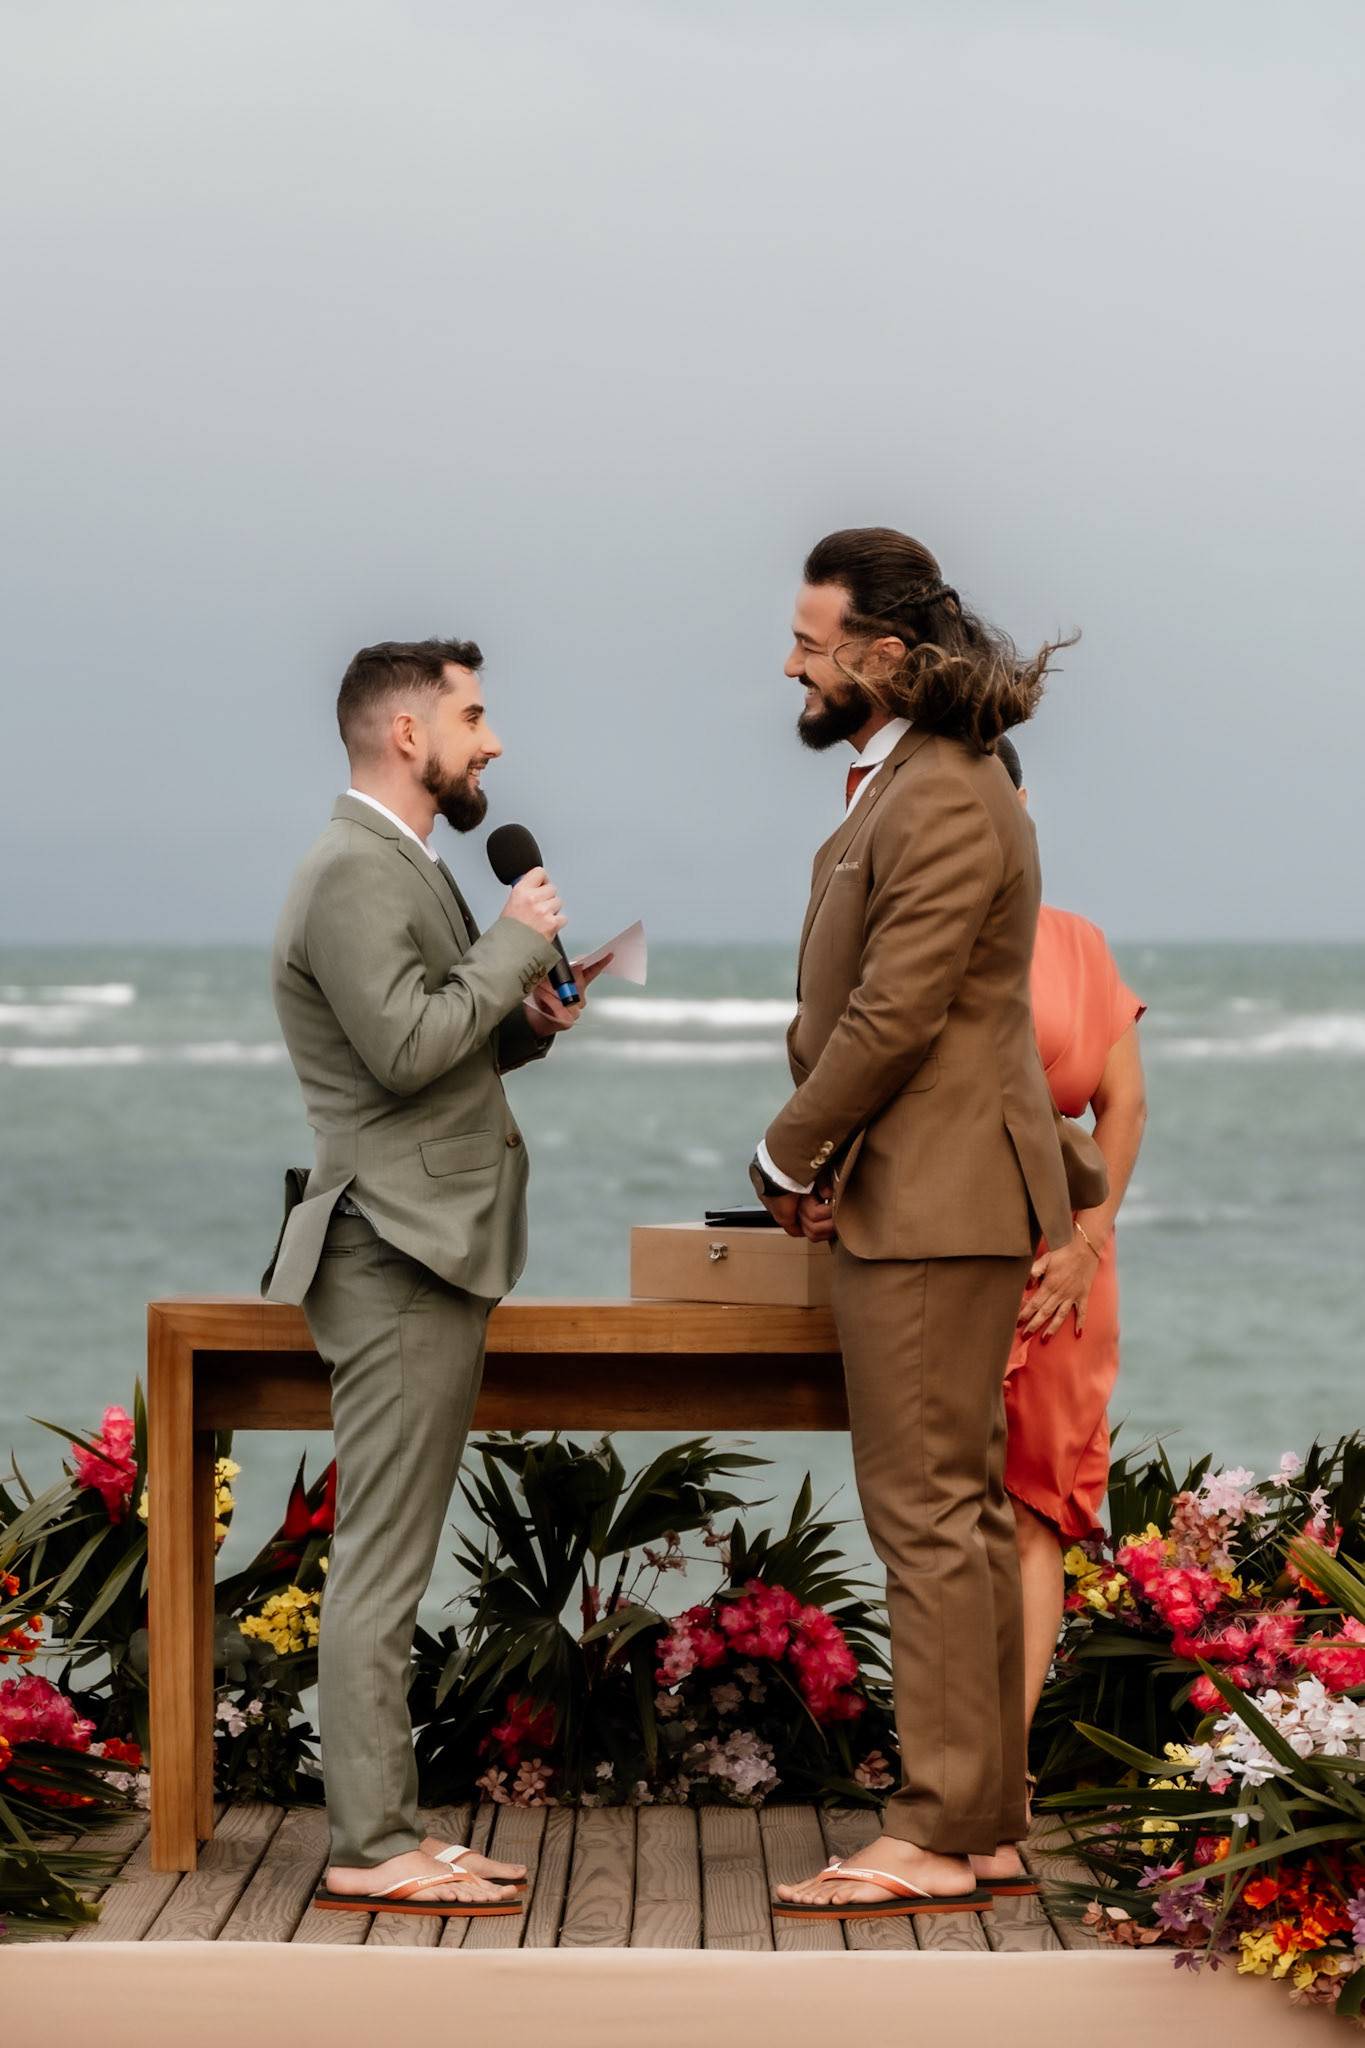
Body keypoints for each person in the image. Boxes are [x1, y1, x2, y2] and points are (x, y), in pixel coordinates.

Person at [756, 528, 1102, 1921]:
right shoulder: (917, 780)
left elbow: (896, 1013)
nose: (789, 662)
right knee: (951, 1511)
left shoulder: (946, 791)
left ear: (886, 654)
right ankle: (985, 1825)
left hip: (935, 1202)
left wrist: (788, 1147)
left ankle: (941, 1833)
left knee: (928, 1515)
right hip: (924, 1188)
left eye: (809, 641)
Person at [264, 637, 606, 1918]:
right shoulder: (356, 867)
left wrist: (525, 1022)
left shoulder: (403, 861)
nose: (492, 739)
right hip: (395, 1245)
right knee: (383, 1560)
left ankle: (394, 1827)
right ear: (408, 732)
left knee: (391, 1554)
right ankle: (372, 1843)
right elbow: (405, 1050)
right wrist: (512, 945)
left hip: (424, 1236)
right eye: (473, 714)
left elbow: (431, 1044)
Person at [995, 733, 1147, 1779]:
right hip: (938, 1242)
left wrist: (1086, 1245)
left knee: (1030, 1514)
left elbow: (1122, 1104)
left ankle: (995, 1772)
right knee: (938, 1514)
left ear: (1018, 803)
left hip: (1062, 1259)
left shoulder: (1078, 943)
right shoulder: (906, 935)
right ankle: (942, 1758)